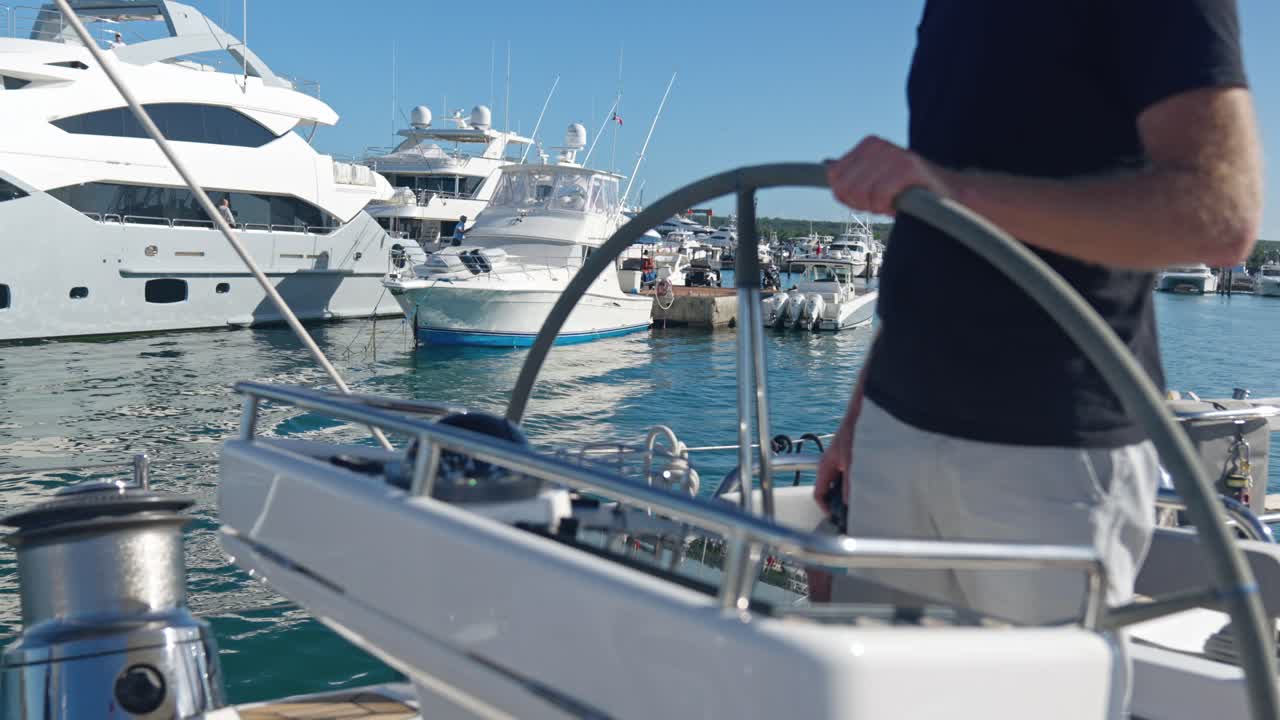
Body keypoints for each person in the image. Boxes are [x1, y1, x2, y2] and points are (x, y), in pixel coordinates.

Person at [816, 0, 1259, 633]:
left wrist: (953, 192)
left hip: (1051, 452)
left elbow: (1219, 214)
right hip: (896, 427)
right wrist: (859, 414)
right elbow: (937, 237)